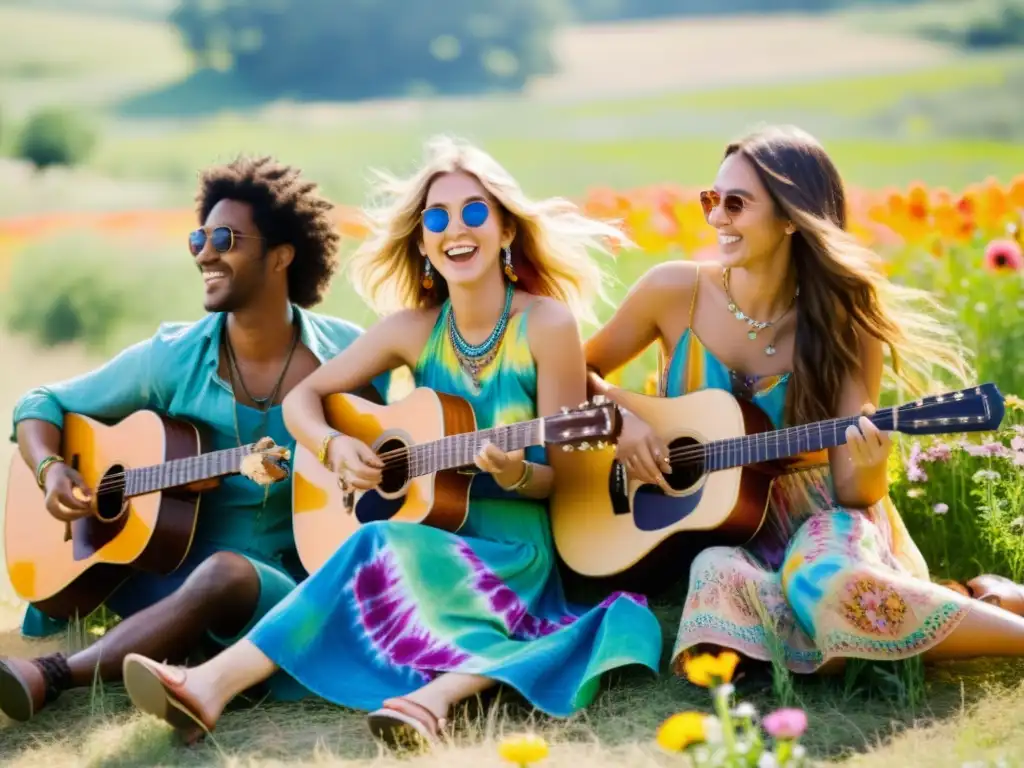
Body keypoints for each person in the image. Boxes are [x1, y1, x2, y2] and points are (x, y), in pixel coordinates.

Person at [117, 135, 663, 747]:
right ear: (424, 242)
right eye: (437, 217)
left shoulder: (547, 323)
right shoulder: (411, 330)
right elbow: (304, 400)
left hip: (515, 551)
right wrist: (332, 447)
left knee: (376, 541)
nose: (457, 228)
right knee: (379, 541)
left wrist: (513, 474)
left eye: (475, 211)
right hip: (432, 536)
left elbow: (560, 478)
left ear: (507, 230)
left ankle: (214, 682)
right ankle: (218, 687)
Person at [583, 124, 1024, 676]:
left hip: (821, 515)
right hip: (726, 527)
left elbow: (853, 490)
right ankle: (943, 613)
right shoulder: (672, 291)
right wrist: (623, 422)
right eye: (710, 200)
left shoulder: (845, 319)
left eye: (736, 203)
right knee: (716, 581)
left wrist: (872, 461)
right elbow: (577, 371)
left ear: (791, 216)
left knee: (821, 584)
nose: (717, 216)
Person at [0, 156, 390, 724]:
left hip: (290, 592)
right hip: (167, 582)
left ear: (281, 255)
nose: (205, 253)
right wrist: (51, 470)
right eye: (198, 238)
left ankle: (60, 674)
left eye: (225, 238)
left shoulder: (352, 356)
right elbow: (42, 403)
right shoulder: (174, 356)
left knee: (231, 573)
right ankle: (149, 660)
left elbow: (406, 433)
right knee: (217, 573)